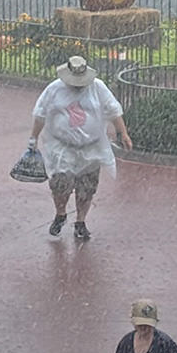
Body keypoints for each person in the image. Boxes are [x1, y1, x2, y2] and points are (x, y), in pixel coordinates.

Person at [28, 55, 132, 241]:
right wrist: (33, 137)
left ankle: (81, 221)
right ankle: (60, 214)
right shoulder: (54, 89)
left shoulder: (98, 87)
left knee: (87, 186)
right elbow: (40, 113)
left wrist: (122, 132)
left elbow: (113, 110)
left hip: (91, 147)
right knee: (60, 184)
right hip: (62, 147)